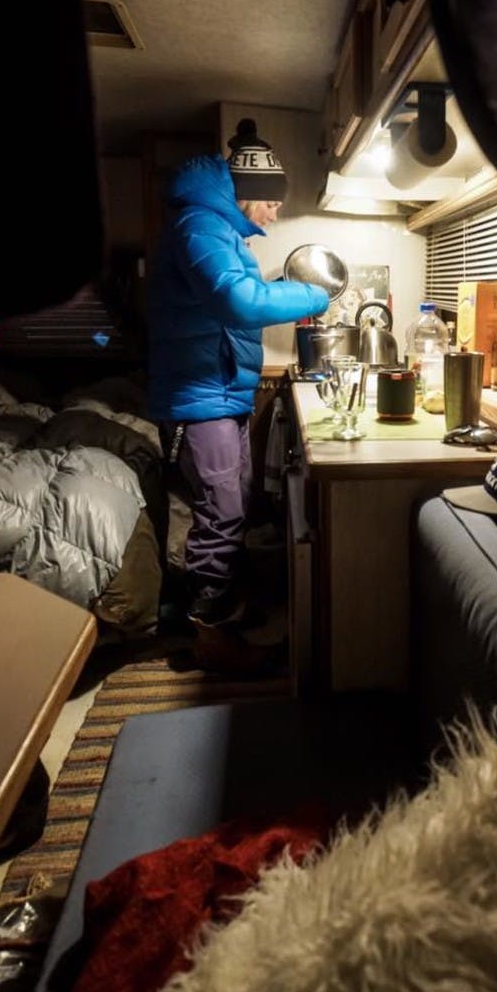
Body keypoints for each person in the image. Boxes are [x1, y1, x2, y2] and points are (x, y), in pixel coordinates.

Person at [147, 118, 329, 669]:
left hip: (221, 393)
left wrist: (281, 293)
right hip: (199, 399)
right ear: (250, 192)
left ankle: (222, 608)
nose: (274, 215)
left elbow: (236, 300)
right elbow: (238, 302)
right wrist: (314, 296)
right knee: (222, 511)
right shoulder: (200, 227)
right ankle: (210, 636)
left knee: (234, 503)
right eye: (272, 203)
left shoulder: (220, 233)